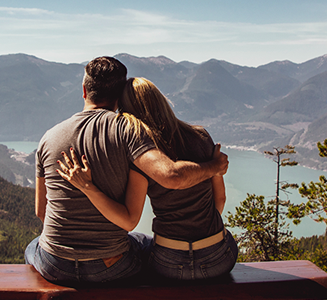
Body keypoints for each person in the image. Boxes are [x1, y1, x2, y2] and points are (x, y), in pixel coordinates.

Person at [25, 57, 229, 286]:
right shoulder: (129, 132)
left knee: (33, 246)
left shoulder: (47, 138)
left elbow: (42, 212)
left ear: (84, 90)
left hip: (55, 264)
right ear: (119, 95)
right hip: (111, 266)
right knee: (141, 242)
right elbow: (170, 178)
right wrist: (215, 167)